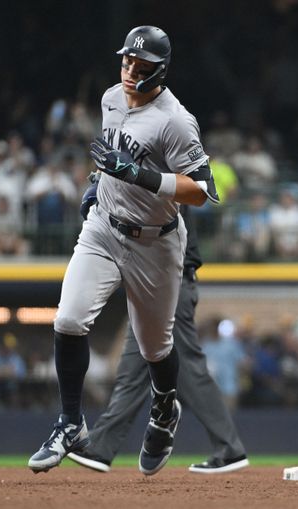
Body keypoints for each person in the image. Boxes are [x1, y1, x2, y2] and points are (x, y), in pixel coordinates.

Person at [28, 25, 219, 476]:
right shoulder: (111, 97)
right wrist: (99, 184)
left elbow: (203, 191)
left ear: (161, 70)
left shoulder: (174, 120)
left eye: (142, 65)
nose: (131, 70)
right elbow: (111, 156)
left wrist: (141, 176)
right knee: (70, 319)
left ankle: (164, 408)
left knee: (156, 348)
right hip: (103, 229)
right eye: (127, 61)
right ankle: (71, 423)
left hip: (155, 241)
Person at [67, 204, 248, 474]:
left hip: (169, 281)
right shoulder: (140, 175)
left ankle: (230, 449)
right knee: (131, 370)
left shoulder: (162, 172)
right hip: (144, 282)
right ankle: (101, 448)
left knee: (188, 366)